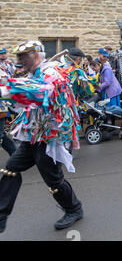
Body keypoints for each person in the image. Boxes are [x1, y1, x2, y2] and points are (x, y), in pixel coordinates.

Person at [0, 40, 83, 233]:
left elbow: (40, 92)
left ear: (36, 55)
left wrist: (7, 90)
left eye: (24, 56)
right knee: (11, 168)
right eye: (18, 57)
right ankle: (1, 215)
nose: (20, 60)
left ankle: (74, 209)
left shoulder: (50, 73)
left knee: (53, 180)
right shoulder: (34, 73)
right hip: (34, 135)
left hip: (51, 138)